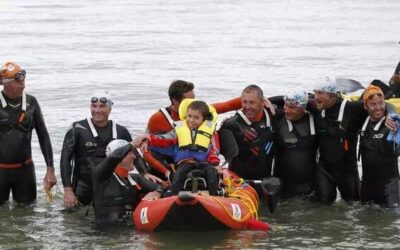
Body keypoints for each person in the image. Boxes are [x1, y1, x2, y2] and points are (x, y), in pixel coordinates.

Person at [144, 80, 242, 180]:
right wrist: (167, 172)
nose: (194, 103)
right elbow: (146, 151)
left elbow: (229, 105)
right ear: (175, 101)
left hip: (196, 164)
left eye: (194, 99)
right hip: (166, 168)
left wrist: (252, 100)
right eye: (189, 100)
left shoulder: (201, 112)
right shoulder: (157, 119)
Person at [60, 90, 132, 208]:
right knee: (73, 223)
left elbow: (133, 157)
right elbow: (65, 159)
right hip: (82, 189)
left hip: (111, 189)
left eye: (102, 106)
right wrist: (68, 190)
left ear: (110, 108)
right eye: (94, 106)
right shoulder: (77, 128)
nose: (97, 110)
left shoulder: (121, 131)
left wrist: (144, 174)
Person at [0, 61, 56, 205]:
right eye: (18, 82)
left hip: (25, 171)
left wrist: (50, 170)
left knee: (27, 215)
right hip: (0, 171)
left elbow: (43, 136)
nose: (23, 85)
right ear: (5, 82)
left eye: (24, 80)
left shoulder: (31, 102)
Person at [311, 77, 368, 205]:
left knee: (353, 206)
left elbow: (381, 106)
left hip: (347, 172)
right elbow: (290, 99)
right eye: (315, 92)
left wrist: (391, 116)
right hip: (324, 171)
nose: (315, 97)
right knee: (322, 208)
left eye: (320, 93)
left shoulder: (352, 108)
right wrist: (265, 100)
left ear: (332, 95)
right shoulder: (316, 108)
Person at [149, 99, 220, 195]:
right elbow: (164, 139)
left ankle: (214, 197)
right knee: (179, 174)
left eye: (196, 118)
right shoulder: (178, 130)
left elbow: (214, 149)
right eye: (189, 116)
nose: (191, 120)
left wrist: (214, 162)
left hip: (204, 163)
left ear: (203, 119)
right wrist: (148, 139)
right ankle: (173, 195)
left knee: (212, 173)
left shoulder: (211, 132)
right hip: (185, 163)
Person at [92, 136, 164, 223]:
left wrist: (156, 192)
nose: (134, 156)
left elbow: (160, 187)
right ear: (120, 157)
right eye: (130, 153)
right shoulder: (101, 176)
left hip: (130, 228)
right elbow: (113, 158)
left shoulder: (135, 178)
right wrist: (132, 144)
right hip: (106, 231)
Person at [219, 85, 275, 180]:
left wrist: (269, 100)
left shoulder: (273, 117)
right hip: (238, 182)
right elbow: (215, 149)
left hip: (264, 181)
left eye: (252, 102)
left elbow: (289, 102)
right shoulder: (232, 124)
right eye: (244, 102)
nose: (247, 107)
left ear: (262, 103)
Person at [359, 85, 400, 207]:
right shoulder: (362, 123)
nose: (378, 108)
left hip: (390, 187)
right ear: (366, 106)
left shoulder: (392, 124)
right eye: (373, 104)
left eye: (381, 103)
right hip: (367, 186)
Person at [272, 90, 317, 198]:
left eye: (292, 107)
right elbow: (259, 103)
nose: (286, 110)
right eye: (285, 106)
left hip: (309, 188)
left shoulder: (315, 119)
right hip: (282, 187)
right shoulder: (277, 118)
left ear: (303, 108)